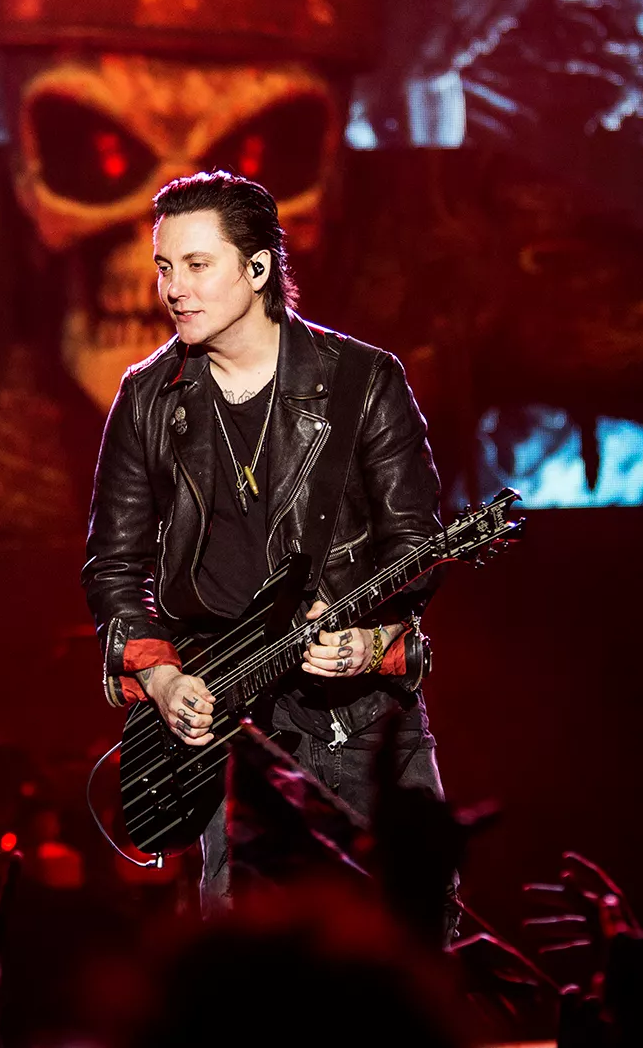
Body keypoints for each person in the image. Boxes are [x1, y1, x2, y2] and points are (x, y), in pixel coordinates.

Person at [82, 170, 452, 916]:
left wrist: (367, 640)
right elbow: (113, 567)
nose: (173, 288)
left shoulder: (362, 381)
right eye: (164, 266)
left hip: (365, 724)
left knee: (411, 946)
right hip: (233, 737)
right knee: (250, 970)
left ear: (256, 269)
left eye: (197, 264)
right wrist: (162, 678)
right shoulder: (146, 398)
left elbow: (416, 544)